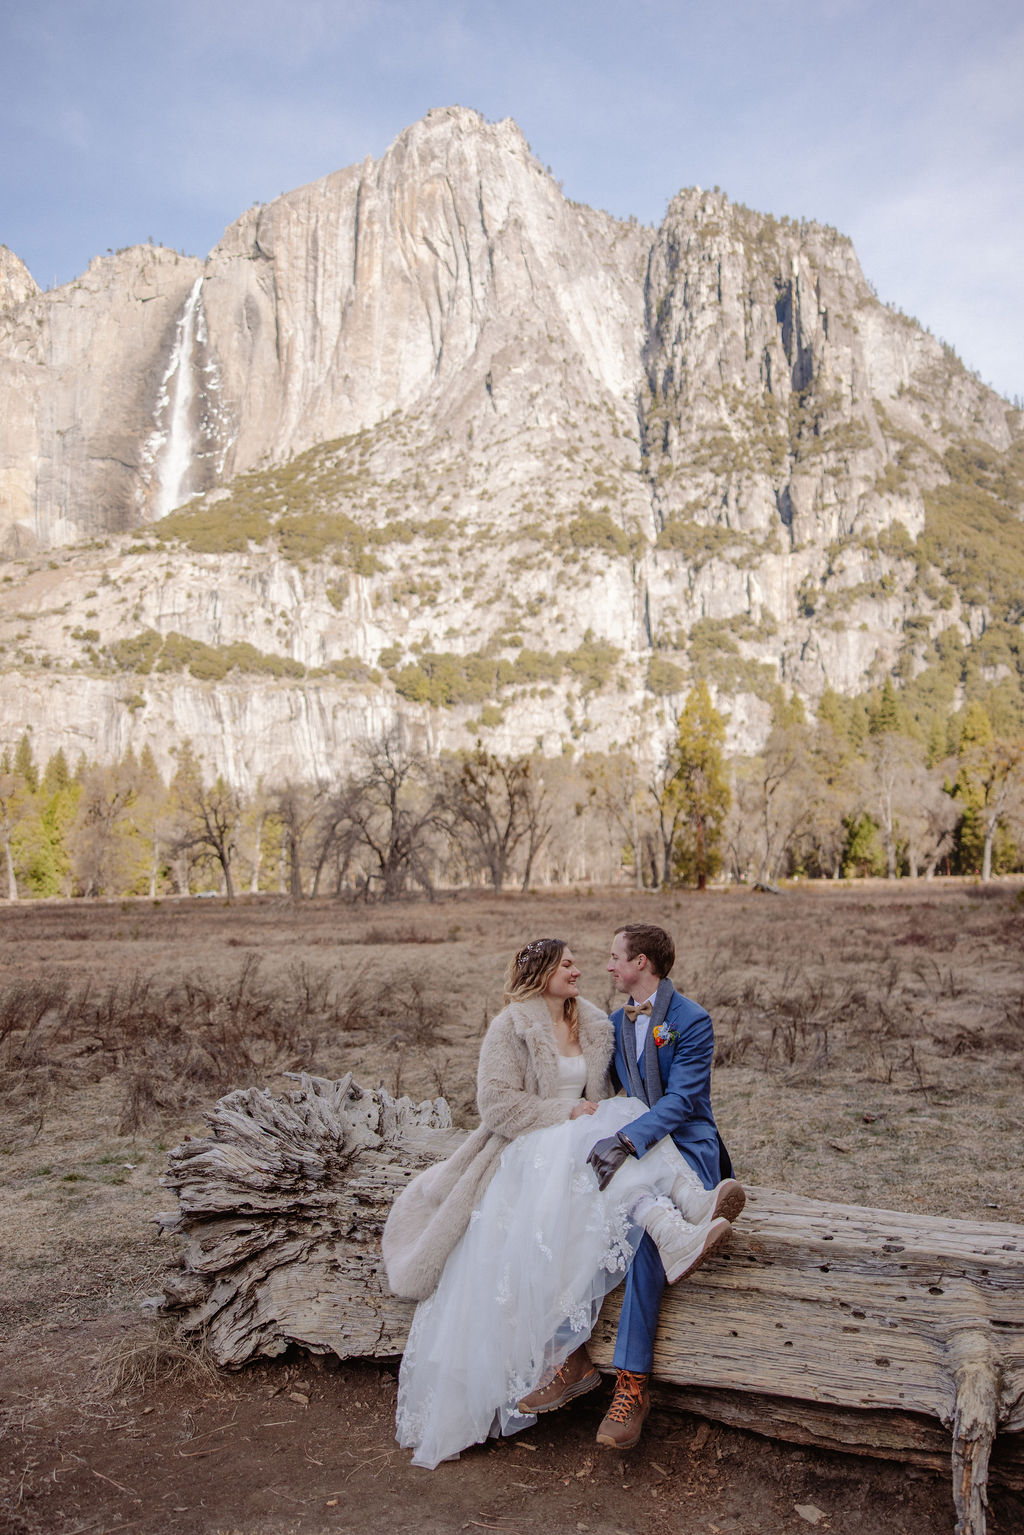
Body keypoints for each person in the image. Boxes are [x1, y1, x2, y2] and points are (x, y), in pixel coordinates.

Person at [383, 937, 733, 1469]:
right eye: (568, 962)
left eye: (600, 959)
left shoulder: (597, 1021)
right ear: (542, 972)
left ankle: (674, 1227)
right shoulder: (511, 1028)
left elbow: (644, 1097)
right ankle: (581, 1338)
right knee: (597, 1143)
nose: (584, 967)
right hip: (533, 1147)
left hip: (593, 1146)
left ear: (641, 963)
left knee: (617, 1125)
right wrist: (564, 1117)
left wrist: (597, 1123)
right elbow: (497, 1104)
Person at [520, 923, 739, 1450]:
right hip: (635, 1145)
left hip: (688, 1148)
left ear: (642, 962)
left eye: (616, 958)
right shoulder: (616, 1023)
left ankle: (632, 1384)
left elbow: (684, 1103)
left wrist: (625, 1140)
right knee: (572, 1207)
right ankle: (568, 1356)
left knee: (641, 1240)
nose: (609, 967)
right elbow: (600, 1088)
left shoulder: (692, 1020)